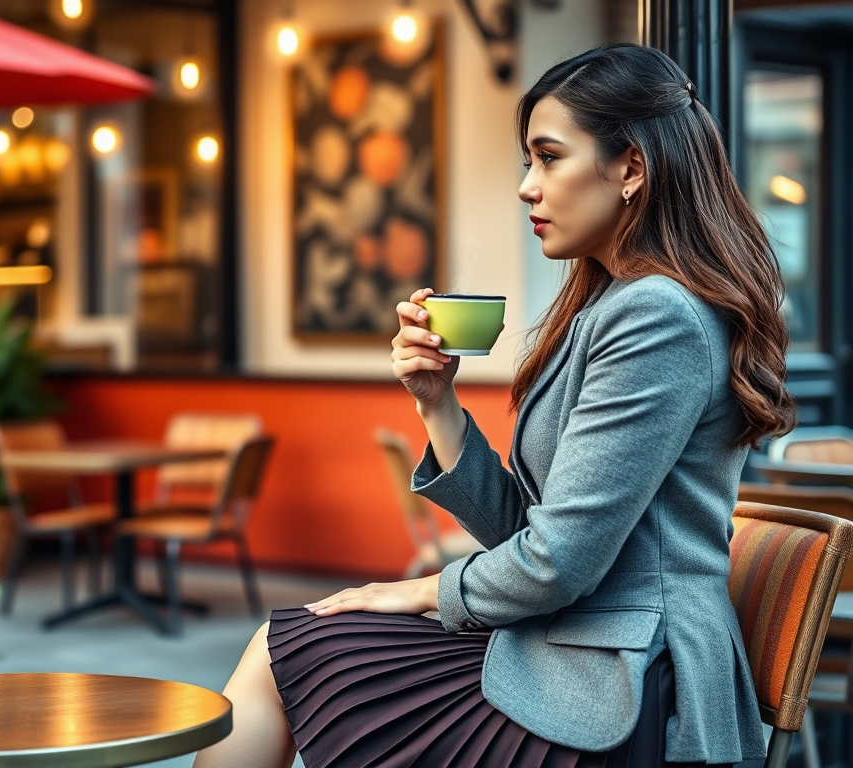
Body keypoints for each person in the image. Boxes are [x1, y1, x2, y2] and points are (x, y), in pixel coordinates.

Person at [193, 42, 795, 768]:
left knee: (288, 648)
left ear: (631, 167)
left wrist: (416, 590)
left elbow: (556, 565)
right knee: (288, 643)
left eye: (548, 158)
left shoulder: (656, 317)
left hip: (626, 685)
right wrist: (436, 404)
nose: (526, 187)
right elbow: (529, 533)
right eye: (526, 162)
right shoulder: (614, 305)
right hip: (574, 645)